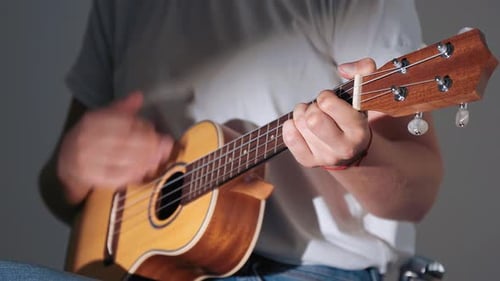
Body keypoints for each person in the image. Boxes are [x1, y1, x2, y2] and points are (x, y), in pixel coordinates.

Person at [34, 1, 443, 280]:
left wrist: (353, 158)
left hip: (309, 269)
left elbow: (417, 193)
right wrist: (70, 168)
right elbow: (57, 196)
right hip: (138, 268)